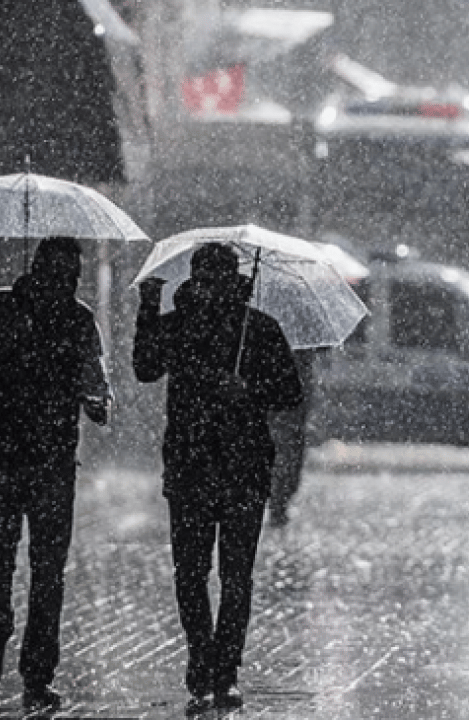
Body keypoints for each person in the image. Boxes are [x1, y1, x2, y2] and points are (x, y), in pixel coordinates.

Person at [133, 244, 303, 714]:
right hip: (189, 466)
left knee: (235, 576)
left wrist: (248, 389)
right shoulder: (178, 323)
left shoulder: (260, 329)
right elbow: (146, 368)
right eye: (204, 278)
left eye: (219, 278)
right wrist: (148, 309)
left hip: (244, 468)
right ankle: (200, 656)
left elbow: (289, 392)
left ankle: (225, 669)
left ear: (234, 280)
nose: (211, 288)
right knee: (190, 573)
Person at [0, 237, 111, 713]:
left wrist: (93, 400)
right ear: (37, 269)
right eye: (60, 274)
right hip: (3, 459)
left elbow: (95, 390)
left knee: (45, 571)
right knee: (1, 561)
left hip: (51, 462)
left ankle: (36, 672)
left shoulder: (78, 320)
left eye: (72, 277)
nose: (66, 285)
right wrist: (2, 355)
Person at [267, 348, 322, 527]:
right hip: (285, 411)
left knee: (287, 455)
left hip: (288, 411)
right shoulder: (301, 349)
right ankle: (278, 500)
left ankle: (278, 500)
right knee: (287, 455)